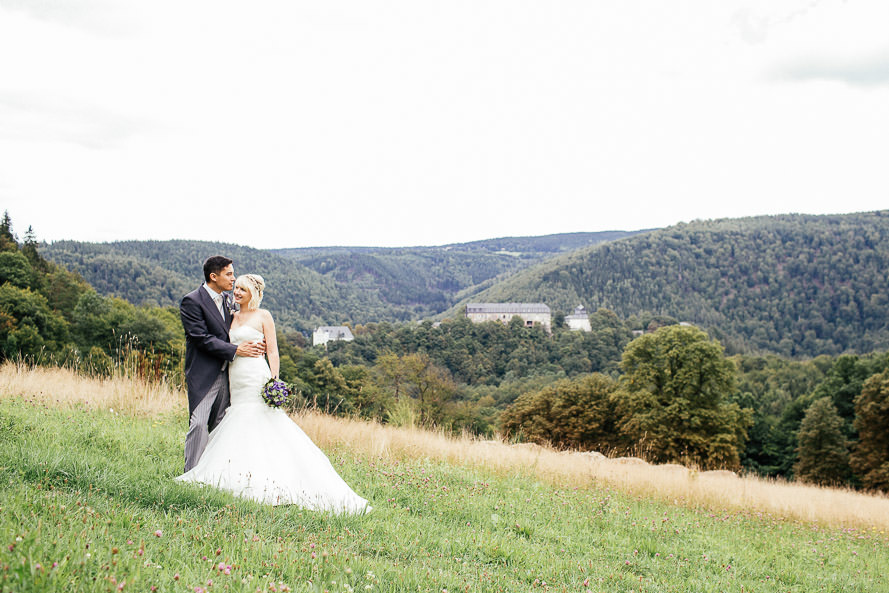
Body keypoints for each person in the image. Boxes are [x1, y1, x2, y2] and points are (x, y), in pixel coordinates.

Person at [176, 274, 371, 513]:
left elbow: (273, 350)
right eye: (236, 288)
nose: (236, 293)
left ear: (254, 294)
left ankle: (270, 475)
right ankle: (234, 471)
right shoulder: (231, 316)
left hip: (256, 374)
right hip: (235, 376)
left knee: (260, 419)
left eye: (242, 290)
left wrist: (274, 380)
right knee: (237, 421)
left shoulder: (263, 316)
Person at [180, 256, 265, 472]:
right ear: (213, 276)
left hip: (230, 374)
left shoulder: (228, 300)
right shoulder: (192, 301)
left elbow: (233, 329)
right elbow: (201, 338)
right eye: (229, 274)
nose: (233, 278)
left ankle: (213, 473)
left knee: (221, 425)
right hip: (204, 373)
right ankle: (191, 472)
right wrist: (236, 350)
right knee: (199, 423)